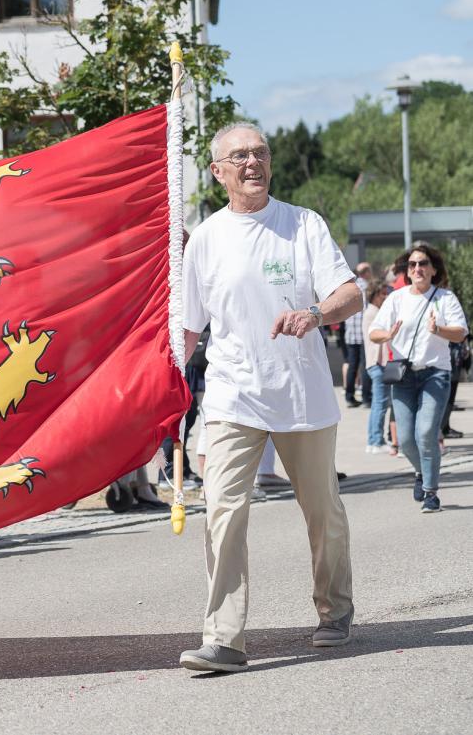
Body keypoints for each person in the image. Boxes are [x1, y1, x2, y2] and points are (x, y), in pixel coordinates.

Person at [178, 122, 362, 674]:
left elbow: (350, 294)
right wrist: (159, 381)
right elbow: (189, 329)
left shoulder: (303, 224)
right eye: (239, 156)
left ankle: (335, 609)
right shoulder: (205, 237)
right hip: (234, 394)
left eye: (260, 153)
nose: (252, 162)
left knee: (321, 510)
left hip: (301, 394)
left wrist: (314, 314)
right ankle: (224, 638)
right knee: (223, 511)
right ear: (218, 171)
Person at [369, 244, 468, 513]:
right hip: (402, 375)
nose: (417, 268)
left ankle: (431, 493)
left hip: (435, 374)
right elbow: (374, 332)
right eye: (412, 265)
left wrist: (439, 329)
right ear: (407, 271)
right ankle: (420, 473)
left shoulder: (445, 298)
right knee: (406, 439)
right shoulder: (396, 299)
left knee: (425, 433)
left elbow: (460, 333)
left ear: (433, 269)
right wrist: (387, 335)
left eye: (423, 263)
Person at [362, 279, 392, 453]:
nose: (385, 297)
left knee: (378, 403)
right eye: (382, 294)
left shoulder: (372, 311)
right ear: (374, 295)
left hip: (375, 363)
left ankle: (374, 440)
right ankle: (376, 440)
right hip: (377, 363)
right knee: (380, 404)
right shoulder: (373, 313)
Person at [342, 262, 372, 407]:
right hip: (363, 333)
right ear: (366, 273)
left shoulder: (349, 288)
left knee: (352, 365)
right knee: (365, 366)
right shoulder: (367, 288)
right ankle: (366, 398)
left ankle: (349, 396)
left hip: (350, 333)